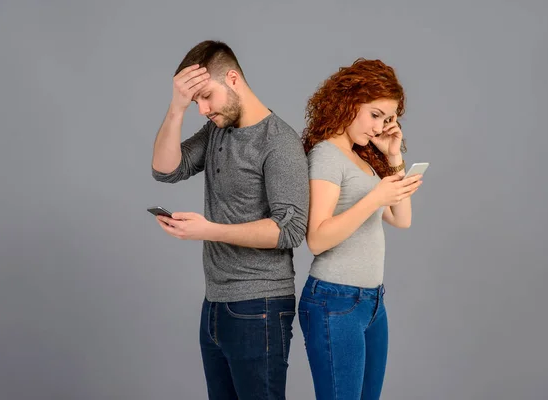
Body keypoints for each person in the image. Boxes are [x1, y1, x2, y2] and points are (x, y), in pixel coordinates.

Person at [151, 40, 309, 400]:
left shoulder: (279, 142)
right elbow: (166, 169)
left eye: (206, 96)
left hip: (260, 307)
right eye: (195, 102)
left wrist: (208, 231)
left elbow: (290, 229)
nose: (203, 109)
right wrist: (176, 109)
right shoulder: (217, 131)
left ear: (233, 78)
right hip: (215, 306)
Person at [298, 58, 423, 399]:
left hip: (371, 302)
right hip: (335, 301)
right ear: (349, 102)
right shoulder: (326, 155)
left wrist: (394, 157)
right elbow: (317, 239)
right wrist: (375, 197)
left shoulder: (363, 159)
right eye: (375, 115)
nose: (380, 126)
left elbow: (402, 219)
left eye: (388, 118)